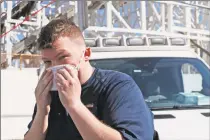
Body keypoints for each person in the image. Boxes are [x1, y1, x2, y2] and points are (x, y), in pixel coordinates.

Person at [24, 17, 154, 140]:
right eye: (47, 62)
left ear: (86, 54)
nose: (55, 66)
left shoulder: (116, 86)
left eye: (63, 57)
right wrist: (42, 110)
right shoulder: (50, 94)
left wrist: (74, 105)